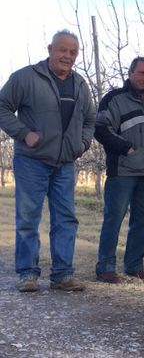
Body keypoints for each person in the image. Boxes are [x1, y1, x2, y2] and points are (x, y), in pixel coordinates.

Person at [0, 29, 95, 292]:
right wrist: (23, 133)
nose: (67, 56)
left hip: (65, 163)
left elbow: (90, 118)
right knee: (29, 217)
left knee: (66, 218)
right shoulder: (26, 77)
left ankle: (63, 274)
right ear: (50, 49)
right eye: (62, 50)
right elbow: (2, 107)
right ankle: (28, 274)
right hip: (32, 160)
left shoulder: (79, 84)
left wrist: (83, 143)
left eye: (73, 52)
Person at [94, 56, 144, 283]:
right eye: (142, 73)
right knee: (114, 219)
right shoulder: (114, 99)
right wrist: (125, 149)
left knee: (143, 222)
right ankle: (105, 268)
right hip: (123, 171)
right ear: (130, 73)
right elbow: (101, 129)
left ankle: (134, 265)